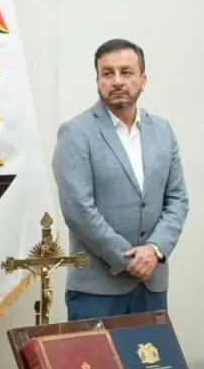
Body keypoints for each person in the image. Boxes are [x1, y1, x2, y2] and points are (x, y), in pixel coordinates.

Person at [52, 38, 188, 321]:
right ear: (98, 79)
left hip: (151, 284)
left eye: (126, 72)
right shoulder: (76, 133)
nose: (116, 81)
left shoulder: (163, 131)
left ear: (143, 80)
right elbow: (78, 210)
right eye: (107, 73)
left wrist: (154, 250)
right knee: (93, 367)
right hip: (96, 290)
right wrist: (126, 259)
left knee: (152, 366)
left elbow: (177, 200)